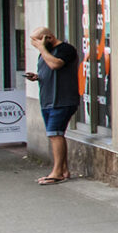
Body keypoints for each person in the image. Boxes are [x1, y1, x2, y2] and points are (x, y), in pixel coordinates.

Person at [24, 27, 80, 185]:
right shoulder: (44, 52)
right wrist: (37, 77)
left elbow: (56, 65)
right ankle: (64, 170)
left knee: (55, 134)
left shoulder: (65, 49)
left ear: (48, 38)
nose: (34, 45)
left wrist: (42, 49)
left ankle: (57, 173)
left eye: (37, 41)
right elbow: (49, 70)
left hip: (62, 100)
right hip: (47, 99)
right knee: (55, 134)